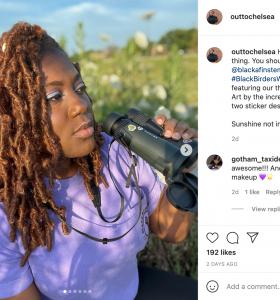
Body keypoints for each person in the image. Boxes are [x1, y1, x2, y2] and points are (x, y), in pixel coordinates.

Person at [0, 22, 197, 300]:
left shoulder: (119, 155)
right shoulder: (11, 208)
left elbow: (172, 232)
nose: (80, 105)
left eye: (79, 88)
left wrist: (184, 169)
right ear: (19, 118)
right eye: (54, 96)